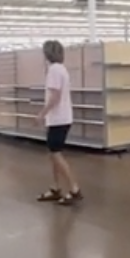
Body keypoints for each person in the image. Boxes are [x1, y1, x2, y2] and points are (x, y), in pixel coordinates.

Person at [36, 40, 82, 206]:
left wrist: (41, 114)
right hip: (60, 118)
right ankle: (55, 187)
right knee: (53, 154)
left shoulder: (54, 70)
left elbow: (55, 97)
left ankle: (74, 189)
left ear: (47, 53)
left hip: (58, 119)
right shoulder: (60, 69)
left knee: (56, 154)